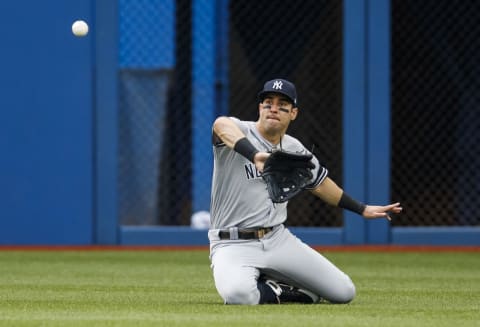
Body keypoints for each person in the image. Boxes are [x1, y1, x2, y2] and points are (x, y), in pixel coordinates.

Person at [208, 78, 402, 305]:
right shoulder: (241, 131)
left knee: (344, 292)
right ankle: (277, 289)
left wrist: (362, 208)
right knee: (239, 295)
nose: (274, 108)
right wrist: (254, 154)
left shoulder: (294, 149)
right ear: (260, 107)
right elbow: (220, 125)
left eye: (283, 104)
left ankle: (276, 283)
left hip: (276, 238)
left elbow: (320, 184)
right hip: (231, 243)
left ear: (293, 113)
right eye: (268, 102)